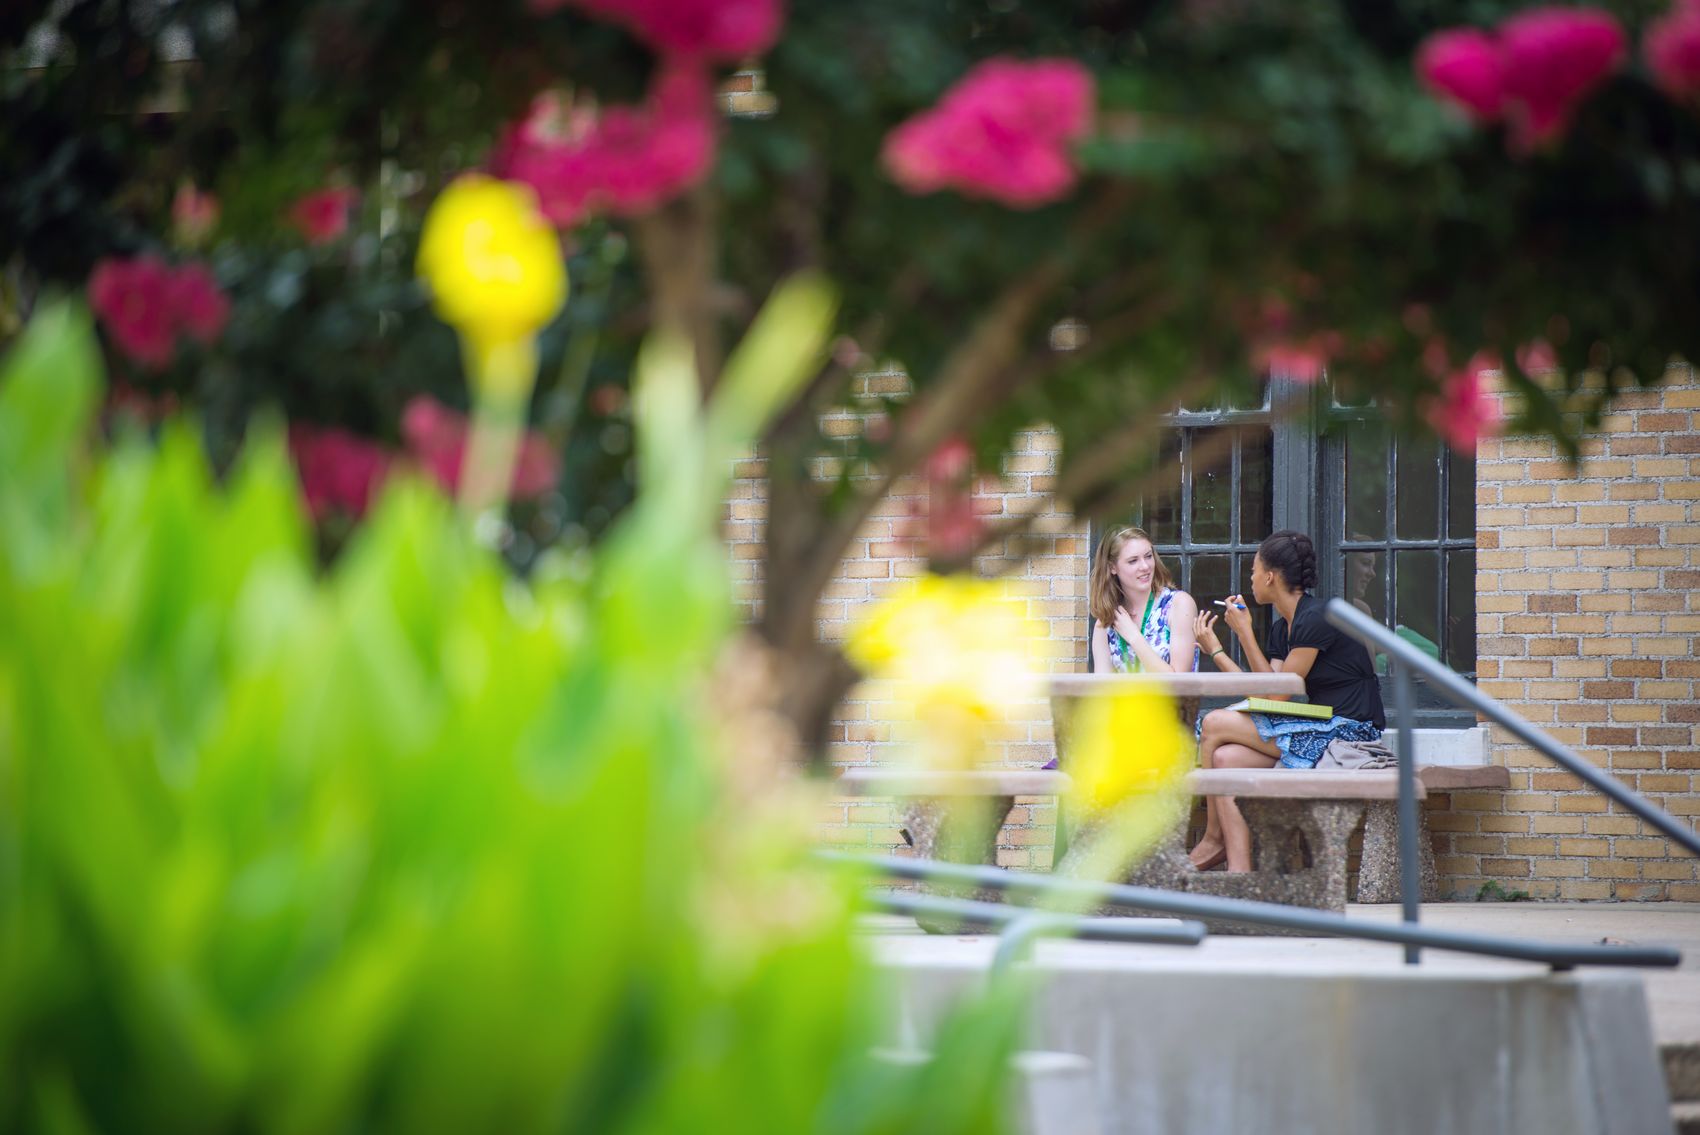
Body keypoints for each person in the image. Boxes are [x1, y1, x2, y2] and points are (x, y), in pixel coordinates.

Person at [1185, 530, 1386, 873]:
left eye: (1253, 570)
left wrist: (1245, 633)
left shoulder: (1316, 618)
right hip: (1317, 727)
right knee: (1224, 758)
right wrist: (1217, 650)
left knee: (1214, 722)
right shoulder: (1283, 629)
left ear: (1270, 576)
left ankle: (1214, 838)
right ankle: (1239, 870)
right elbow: (1265, 696)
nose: (1250, 579)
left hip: (1349, 731)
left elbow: (1278, 693)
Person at [1088, 526, 1199, 675]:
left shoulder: (1178, 605)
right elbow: (1102, 687)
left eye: (1148, 556)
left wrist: (1134, 637)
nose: (1145, 566)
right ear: (1112, 567)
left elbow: (1179, 683)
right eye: (1133, 561)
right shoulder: (1106, 622)